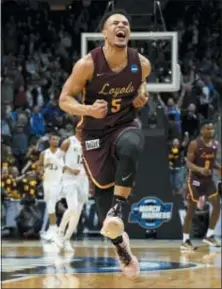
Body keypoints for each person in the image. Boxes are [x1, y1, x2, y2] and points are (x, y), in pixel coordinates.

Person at [59, 10, 151, 278]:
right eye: (115, 23)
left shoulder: (141, 63)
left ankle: (120, 206)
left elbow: (142, 84)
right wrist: (87, 110)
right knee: (104, 210)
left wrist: (141, 96)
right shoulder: (87, 64)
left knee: (131, 146)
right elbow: (64, 99)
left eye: (125, 23)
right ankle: (121, 247)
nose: (122, 25)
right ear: (105, 33)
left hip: (124, 124)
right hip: (94, 134)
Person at [181, 121, 222, 251]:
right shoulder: (194, 144)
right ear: (202, 130)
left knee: (217, 204)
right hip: (195, 180)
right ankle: (185, 240)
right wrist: (200, 170)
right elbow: (188, 163)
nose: (210, 130)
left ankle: (209, 235)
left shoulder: (215, 145)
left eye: (212, 128)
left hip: (208, 181)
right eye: (207, 128)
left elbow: (212, 161)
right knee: (191, 209)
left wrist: (219, 167)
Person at [52, 133, 89, 251]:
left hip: (83, 179)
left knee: (78, 212)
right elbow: (56, 158)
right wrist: (68, 168)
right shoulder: (68, 141)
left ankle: (66, 239)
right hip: (69, 179)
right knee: (72, 208)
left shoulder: (89, 142)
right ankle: (59, 232)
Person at [37, 135, 62, 241]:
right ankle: (54, 229)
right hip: (47, 182)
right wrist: (41, 170)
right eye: (53, 139)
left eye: (57, 139)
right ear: (49, 141)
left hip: (58, 182)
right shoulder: (44, 153)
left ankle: (53, 229)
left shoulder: (62, 153)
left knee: (51, 205)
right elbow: (39, 168)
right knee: (50, 205)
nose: (55, 140)